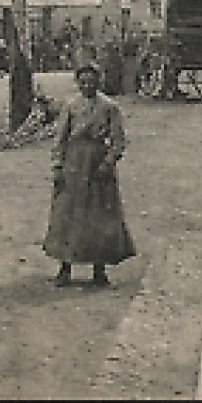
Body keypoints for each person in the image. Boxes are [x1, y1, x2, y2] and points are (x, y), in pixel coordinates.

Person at [44, 63, 137, 287]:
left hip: (97, 165)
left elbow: (119, 140)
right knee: (68, 214)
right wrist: (57, 166)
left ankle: (99, 269)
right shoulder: (70, 105)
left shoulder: (109, 107)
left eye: (92, 82)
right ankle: (65, 267)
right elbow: (59, 139)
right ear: (77, 83)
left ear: (99, 82)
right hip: (74, 164)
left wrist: (108, 162)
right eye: (83, 82)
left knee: (99, 216)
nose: (87, 86)